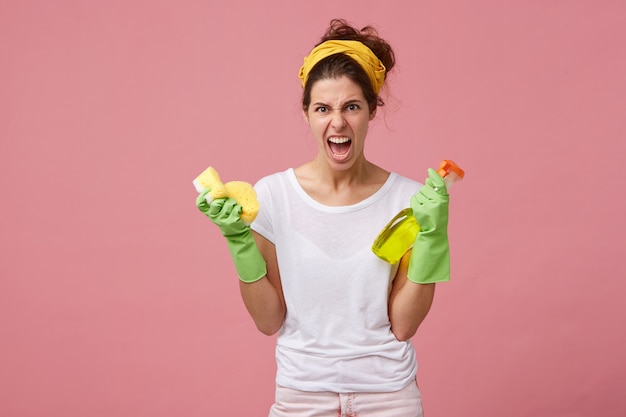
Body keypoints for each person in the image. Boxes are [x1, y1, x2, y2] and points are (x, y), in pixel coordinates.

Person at [196, 18, 451, 417]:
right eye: (323, 108)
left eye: (352, 106)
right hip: (302, 394)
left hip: (388, 396)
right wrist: (239, 241)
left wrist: (434, 238)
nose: (338, 122)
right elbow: (268, 321)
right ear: (306, 114)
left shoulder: (407, 199)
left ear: (371, 111)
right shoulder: (273, 196)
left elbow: (403, 326)